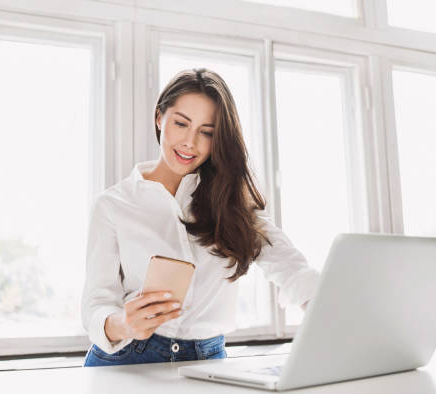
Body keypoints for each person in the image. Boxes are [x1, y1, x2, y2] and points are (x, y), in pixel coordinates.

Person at [81, 68, 319, 367]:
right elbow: (95, 304)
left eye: (206, 131)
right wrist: (124, 324)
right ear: (159, 118)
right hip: (128, 359)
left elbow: (290, 268)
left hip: (208, 360)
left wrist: (328, 316)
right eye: (181, 123)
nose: (190, 142)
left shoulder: (234, 202)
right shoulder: (113, 205)